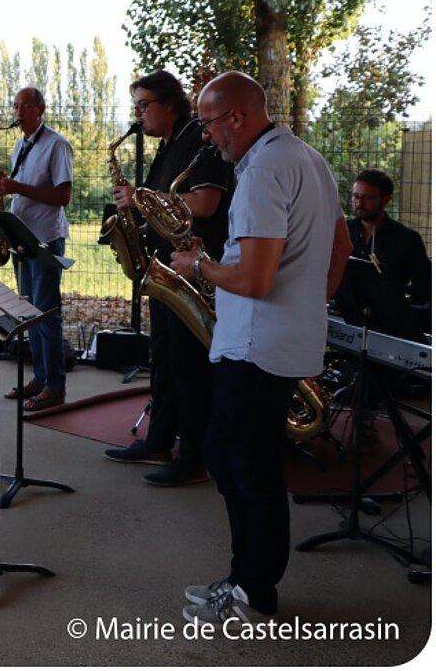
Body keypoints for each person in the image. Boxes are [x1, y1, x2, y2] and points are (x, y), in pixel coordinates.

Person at [170, 71, 351, 627]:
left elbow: (255, 280)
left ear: (238, 118)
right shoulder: (308, 158)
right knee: (241, 459)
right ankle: (250, 580)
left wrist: (196, 265)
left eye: (207, 123)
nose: (206, 135)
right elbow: (341, 245)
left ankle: (253, 589)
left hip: (254, 347)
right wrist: (308, 305)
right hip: (277, 340)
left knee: (242, 465)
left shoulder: (263, 171)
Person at [105, 70, 233, 486]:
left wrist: (141, 201)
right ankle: (158, 439)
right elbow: (161, 208)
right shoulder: (167, 147)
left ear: (169, 103)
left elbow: (206, 202)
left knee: (188, 365)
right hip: (166, 269)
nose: (139, 115)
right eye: (137, 106)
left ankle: (193, 455)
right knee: (163, 359)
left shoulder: (200, 139)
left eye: (145, 105)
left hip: (193, 272)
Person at [0, 87, 73, 411]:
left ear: (41, 108)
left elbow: (62, 196)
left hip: (45, 238)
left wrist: (14, 187)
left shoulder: (57, 144)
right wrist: (4, 193)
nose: (18, 111)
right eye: (15, 105)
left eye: (25, 105)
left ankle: (55, 386)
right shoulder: (19, 145)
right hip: (21, 239)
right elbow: (20, 194)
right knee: (29, 314)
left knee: (45, 315)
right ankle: (40, 378)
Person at [345, 168, 430, 340]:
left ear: (386, 200)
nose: (359, 203)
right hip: (347, 316)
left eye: (368, 198)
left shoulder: (407, 238)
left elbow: (426, 283)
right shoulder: (343, 231)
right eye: (356, 196)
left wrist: (397, 297)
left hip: (389, 325)